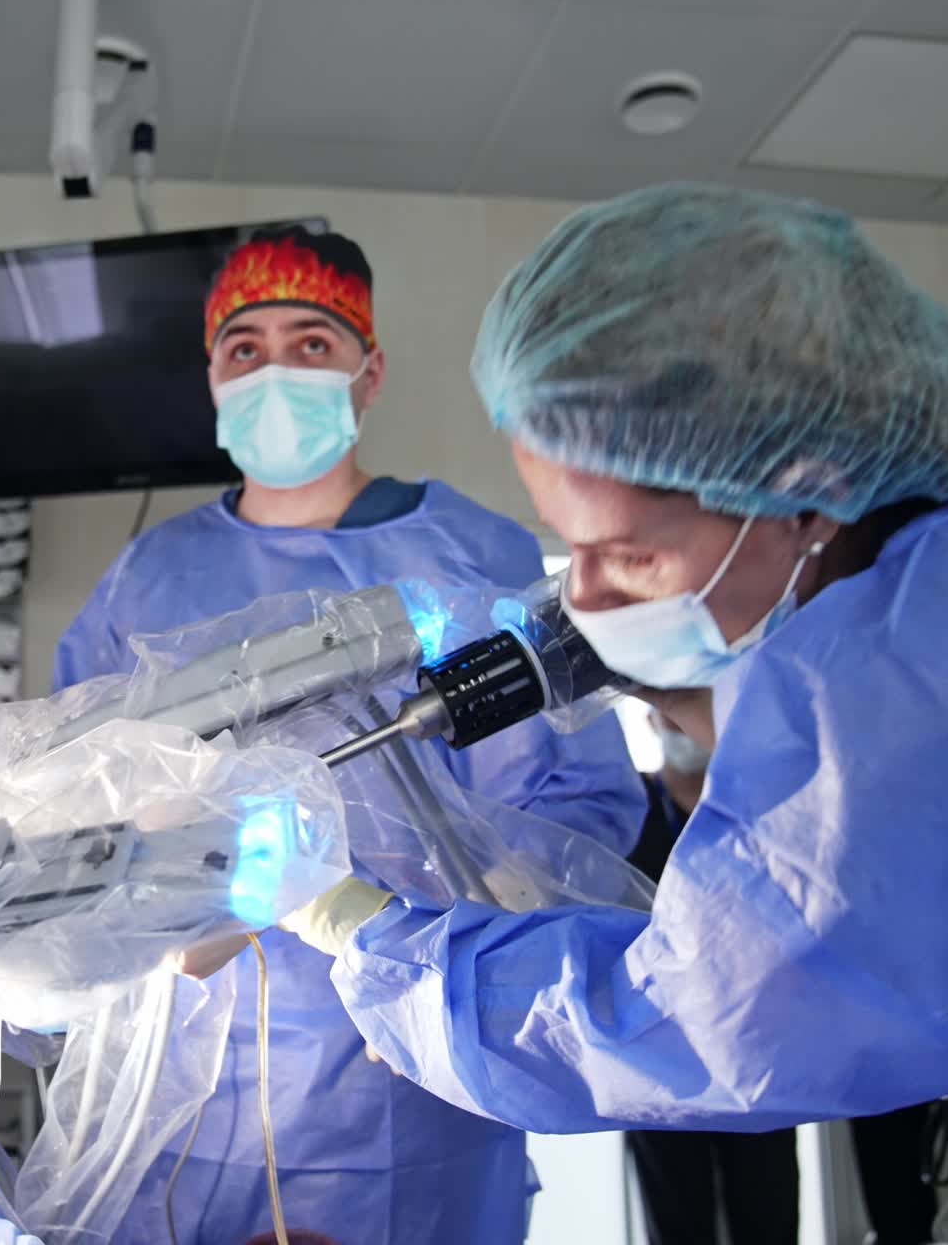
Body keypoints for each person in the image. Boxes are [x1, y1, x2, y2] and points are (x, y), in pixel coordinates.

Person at [287, 182, 948, 1134]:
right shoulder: (916, 574)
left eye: (630, 555)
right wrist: (645, 656)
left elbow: (685, 1023)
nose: (587, 596)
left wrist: (359, 928)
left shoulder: (892, 704)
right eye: (572, 547)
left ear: (809, 496)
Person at [54, 225, 646, 1245]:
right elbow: (73, 801)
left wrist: (428, 952)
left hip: (407, 1075)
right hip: (183, 1088)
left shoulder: (468, 553)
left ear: (367, 374)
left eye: (311, 343)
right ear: (211, 375)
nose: (273, 368)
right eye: (244, 348)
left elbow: (574, 814)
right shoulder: (147, 580)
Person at [625, 713, 799, 1245]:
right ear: (652, 721)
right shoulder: (627, 810)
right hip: (658, 1057)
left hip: (755, 1046)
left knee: (766, 1205)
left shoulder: (754, 806)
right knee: (676, 1216)